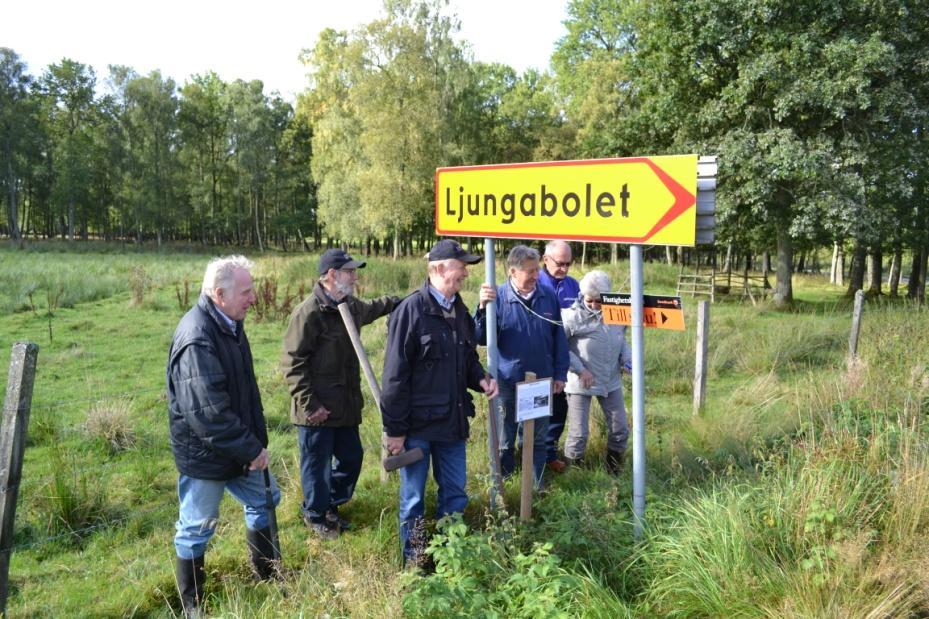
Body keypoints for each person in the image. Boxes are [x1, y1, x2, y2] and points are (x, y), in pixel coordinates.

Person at [167, 255, 280, 617]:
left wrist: (255, 443)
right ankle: (192, 607)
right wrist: (251, 449)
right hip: (206, 457)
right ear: (219, 294)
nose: (253, 298)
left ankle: (268, 574)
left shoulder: (230, 322)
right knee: (196, 528)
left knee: (266, 498)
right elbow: (208, 414)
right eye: (246, 292)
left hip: (239, 447)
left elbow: (244, 391)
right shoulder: (198, 337)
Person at [380, 239, 498, 566]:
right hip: (416, 428)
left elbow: (468, 358)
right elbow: (394, 377)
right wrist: (394, 430)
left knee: (455, 496)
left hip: (452, 425)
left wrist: (482, 378)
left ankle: (449, 558)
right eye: (460, 267)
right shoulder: (411, 310)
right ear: (437, 269)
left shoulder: (459, 308)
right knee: (413, 500)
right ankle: (415, 562)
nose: (465, 273)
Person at [281, 248, 400, 540]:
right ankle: (315, 515)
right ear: (332, 275)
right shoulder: (309, 313)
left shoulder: (349, 305)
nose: (355, 277)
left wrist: (403, 301)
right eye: (350, 272)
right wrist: (311, 405)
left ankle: (330, 504)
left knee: (351, 458)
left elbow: (375, 307)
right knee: (317, 466)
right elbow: (291, 364)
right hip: (316, 411)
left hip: (345, 406)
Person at [475, 244, 569, 487]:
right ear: (513, 272)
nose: (536, 275)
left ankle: (536, 482)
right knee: (505, 438)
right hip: (507, 381)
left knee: (537, 437)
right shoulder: (498, 297)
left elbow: (559, 338)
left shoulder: (547, 296)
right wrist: (483, 308)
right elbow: (481, 336)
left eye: (537, 270)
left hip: (541, 381)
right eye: (530, 271)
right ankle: (505, 482)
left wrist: (560, 374)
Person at [562, 270, 631, 474]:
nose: (593, 305)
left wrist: (627, 360)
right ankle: (574, 475)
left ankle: (614, 472)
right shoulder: (572, 316)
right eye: (589, 300)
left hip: (611, 381)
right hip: (580, 383)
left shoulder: (618, 314)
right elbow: (558, 348)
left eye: (599, 301)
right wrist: (580, 369)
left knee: (620, 429)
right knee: (579, 434)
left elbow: (621, 339)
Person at [538, 240, 581, 473]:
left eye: (568, 264)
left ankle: (549, 455)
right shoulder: (535, 283)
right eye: (560, 264)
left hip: (563, 361)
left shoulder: (574, 287)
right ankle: (525, 460)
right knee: (534, 411)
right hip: (538, 359)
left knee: (558, 410)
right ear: (546, 260)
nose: (564, 269)